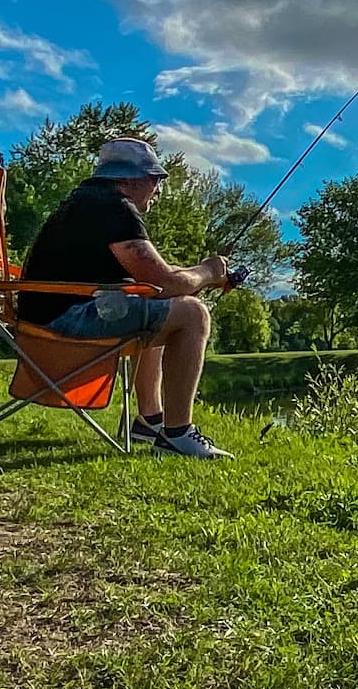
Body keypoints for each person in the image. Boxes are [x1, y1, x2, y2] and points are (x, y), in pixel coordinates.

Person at [17, 137, 235, 460]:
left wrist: (196, 278)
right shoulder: (113, 208)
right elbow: (163, 281)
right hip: (63, 323)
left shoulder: (86, 201)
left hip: (44, 320)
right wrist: (209, 271)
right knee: (193, 314)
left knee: (160, 307)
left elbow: (157, 281)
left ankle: (150, 421)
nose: (159, 188)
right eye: (155, 179)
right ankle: (178, 434)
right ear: (130, 180)